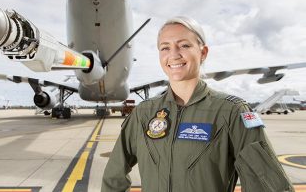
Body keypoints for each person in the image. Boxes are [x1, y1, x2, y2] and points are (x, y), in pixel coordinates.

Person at [101, 16, 294, 192]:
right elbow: (113, 177)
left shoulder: (231, 112)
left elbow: (268, 184)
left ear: (203, 53)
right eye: (165, 47)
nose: (174, 54)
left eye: (184, 45)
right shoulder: (144, 112)